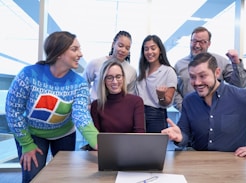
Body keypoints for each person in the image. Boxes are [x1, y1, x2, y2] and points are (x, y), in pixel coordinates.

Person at [5, 31, 99, 182]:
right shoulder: (28, 75)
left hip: (64, 134)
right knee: (32, 178)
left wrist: (97, 141)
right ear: (59, 53)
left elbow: (80, 114)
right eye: (75, 49)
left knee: (63, 178)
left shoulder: (79, 83)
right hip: (33, 135)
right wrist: (26, 143)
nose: (80, 54)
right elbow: (13, 111)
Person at [162, 52, 246, 158]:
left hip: (234, 167)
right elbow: (184, 133)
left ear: (217, 72)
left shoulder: (242, 98)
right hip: (198, 166)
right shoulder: (189, 101)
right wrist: (180, 136)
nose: (197, 82)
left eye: (203, 76)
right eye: (192, 77)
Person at [174, 26, 246, 111]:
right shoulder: (179, 65)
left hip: (217, 114)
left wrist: (236, 63)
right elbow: (174, 90)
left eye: (202, 42)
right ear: (190, 42)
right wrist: (183, 107)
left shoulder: (221, 62)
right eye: (194, 41)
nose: (197, 45)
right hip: (189, 115)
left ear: (209, 44)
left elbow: (240, 84)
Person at [135, 35, 177, 133]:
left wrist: (161, 96)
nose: (149, 52)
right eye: (146, 49)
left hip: (156, 116)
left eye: (153, 48)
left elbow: (167, 101)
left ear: (160, 50)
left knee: (155, 147)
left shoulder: (168, 71)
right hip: (139, 114)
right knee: (137, 147)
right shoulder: (141, 71)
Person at [90, 58, 145, 133]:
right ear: (104, 80)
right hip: (106, 145)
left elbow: (139, 134)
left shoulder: (136, 102)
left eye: (118, 77)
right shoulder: (96, 105)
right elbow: (96, 138)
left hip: (131, 144)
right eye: (109, 78)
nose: (115, 82)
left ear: (123, 78)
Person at [83, 30, 137, 104]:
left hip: (118, 111)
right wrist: (88, 103)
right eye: (120, 46)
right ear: (113, 44)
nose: (123, 50)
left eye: (127, 48)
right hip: (96, 108)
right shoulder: (96, 63)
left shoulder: (132, 71)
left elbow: (130, 95)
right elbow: (83, 84)